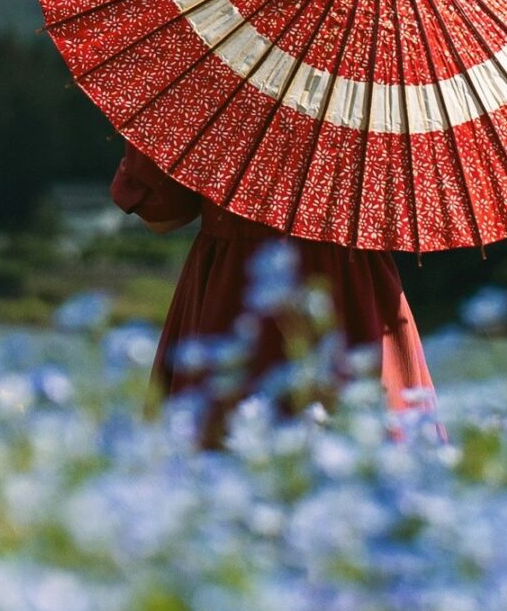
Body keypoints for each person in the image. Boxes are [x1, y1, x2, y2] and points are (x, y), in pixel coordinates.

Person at [111, 142, 433, 439]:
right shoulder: (387, 90)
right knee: (370, 459)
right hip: (354, 284)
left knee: (226, 462)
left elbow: (163, 213)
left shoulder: (223, 79)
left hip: (242, 284)